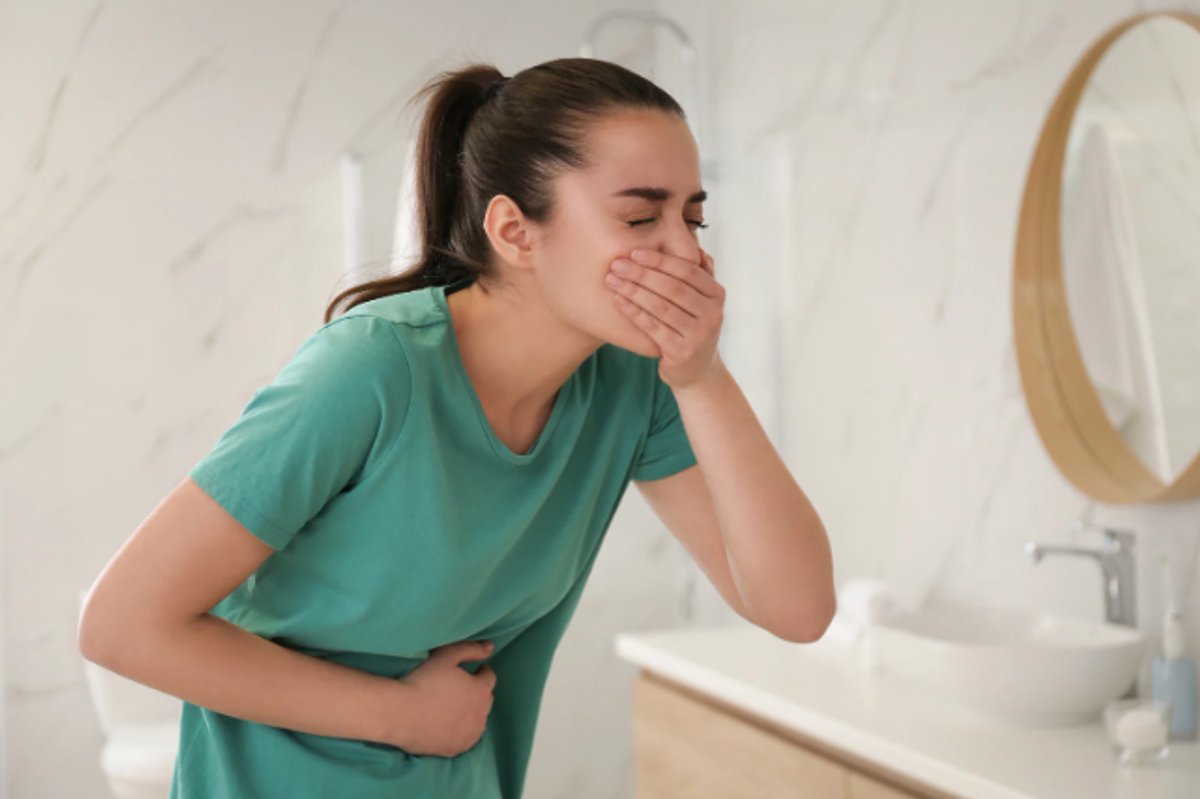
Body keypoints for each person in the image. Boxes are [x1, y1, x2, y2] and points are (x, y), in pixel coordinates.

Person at [77, 57, 834, 799]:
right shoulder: (372, 371)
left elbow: (797, 610)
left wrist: (703, 376)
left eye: (692, 216)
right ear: (514, 231)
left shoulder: (634, 384)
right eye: (641, 217)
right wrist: (401, 714)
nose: (687, 253)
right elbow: (121, 625)